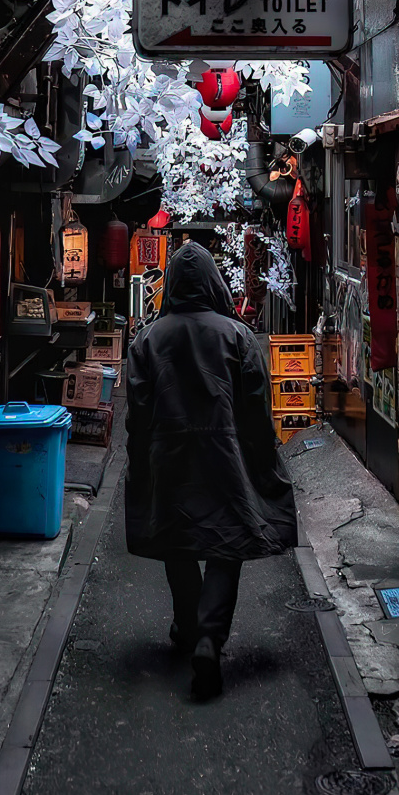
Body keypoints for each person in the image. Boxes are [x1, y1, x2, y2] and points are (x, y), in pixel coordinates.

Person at [125, 241, 297, 699]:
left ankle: (187, 624)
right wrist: (265, 458)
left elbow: (137, 412)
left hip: (168, 456)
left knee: (177, 539)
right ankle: (208, 636)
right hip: (226, 456)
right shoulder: (236, 336)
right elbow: (258, 408)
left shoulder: (148, 339)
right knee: (227, 542)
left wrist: (138, 462)